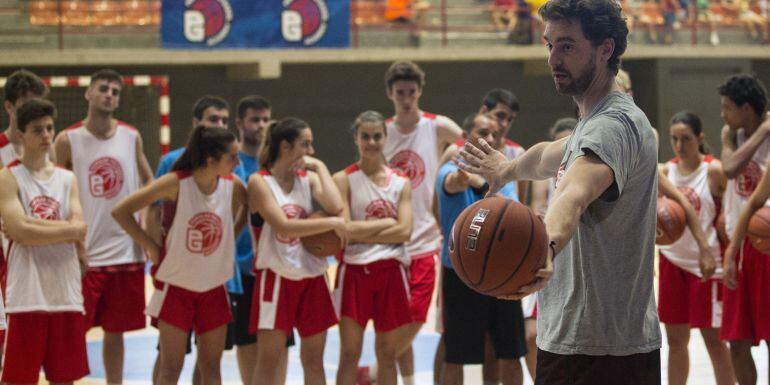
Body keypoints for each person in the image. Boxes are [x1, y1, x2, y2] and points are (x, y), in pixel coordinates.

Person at [457, 0, 662, 382]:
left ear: (605, 49)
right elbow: (545, 156)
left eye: (567, 45)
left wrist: (544, 247)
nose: (553, 57)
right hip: (596, 342)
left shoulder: (612, 125)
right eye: (550, 44)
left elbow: (575, 193)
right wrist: (506, 168)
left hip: (597, 351)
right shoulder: (591, 123)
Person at [112, 124, 247, 385]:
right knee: (171, 367)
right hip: (176, 286)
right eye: (232, 156)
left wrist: (232, 236)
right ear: (211, 160)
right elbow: (121, 211)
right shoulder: (175, 183)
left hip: (213, 287)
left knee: (211, 368)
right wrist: (149, 244)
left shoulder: (232, 184)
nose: (238, 162)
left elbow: (247, 204)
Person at [54, 69, 154, 385]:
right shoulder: (67, 139)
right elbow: (56, 191)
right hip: (85, 253)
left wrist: (146, 231)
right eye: (103, 89)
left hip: (126, 252)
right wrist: (71, 241)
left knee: (116, 333)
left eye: (115, 91)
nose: (109, 94)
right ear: (88, 94)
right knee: (73, 330)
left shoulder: (131, 135)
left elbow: (150, 182)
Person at [380, 60, 463, 385]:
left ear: (420, 91)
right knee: (395, 321)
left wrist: (445, 161)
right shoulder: (381, 132)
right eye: (400, 92)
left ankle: (374, 372)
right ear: (390, 93)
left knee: (415, 316)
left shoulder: (436, 126)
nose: (406, 98)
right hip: (389, 238)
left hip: (427, 237)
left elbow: (469, 146)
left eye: (411, 92)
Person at [248, 117, 345, 385]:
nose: (311, 151)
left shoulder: (308, 178)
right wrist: (332, 223)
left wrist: (321, 167)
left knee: (314, 360)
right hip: (277, 278)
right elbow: (284, 226)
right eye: (306, 144)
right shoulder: (259, 181)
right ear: (286, 146)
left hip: (312, 276)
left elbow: (336, 206)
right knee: (269, 361)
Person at [0, 98, 89, 385]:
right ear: (21, 134)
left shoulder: (67, 178)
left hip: (65, 293)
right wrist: (67, 230)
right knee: (19, 380)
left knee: (64, 379)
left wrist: (33, 227)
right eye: (38, 129)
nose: (47, 135)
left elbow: (80, 228)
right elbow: (20, 231)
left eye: (50, 128)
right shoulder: (8, 178)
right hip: (27, 294)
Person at [437, 113, 526, 385]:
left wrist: (482, 182)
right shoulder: (449, 170)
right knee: (456, 356)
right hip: (461, 273)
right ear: (465, 138)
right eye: (483, 133)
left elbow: (512, 211)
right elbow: (452, 183)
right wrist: (466, 180)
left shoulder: (505, 177)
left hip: (502, 273)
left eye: (494, 135)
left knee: (511, 353)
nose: (489, 139)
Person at [148, 95, 231, 385]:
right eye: (212, 119)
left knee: (210, 361)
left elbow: (239, 208)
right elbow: (153, 210)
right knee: (171, 356)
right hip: (177, 274)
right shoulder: (173, 164)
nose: (219, 125)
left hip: (215, 275)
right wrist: (153, 250)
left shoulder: (229, 164)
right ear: (197, 123)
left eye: (223, 120)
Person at [333, 111, 414, 385]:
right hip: (355, 272)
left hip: (391, 271)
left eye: (376, 136)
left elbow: (405, 231)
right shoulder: (343, 179)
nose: (371, 142)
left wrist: (361, 230)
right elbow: (345, 230)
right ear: (356, 138)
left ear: (385, 138)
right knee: (349, 353)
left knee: (387, 353)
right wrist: (387, 223)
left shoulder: (401, 182)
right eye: (365, 136)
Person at [658, 111, 735, 385]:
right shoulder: (666, 171)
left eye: (686, 139)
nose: (680, 145)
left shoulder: (713, 171)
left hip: (707, 264)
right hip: (672, 261)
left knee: (714, 339)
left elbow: (734, 208)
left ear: (700, 138)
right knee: (676, 341)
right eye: (674, 139)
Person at [718, 73, 770, 385]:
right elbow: (729, 168)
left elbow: (756, 201)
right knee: (736, 340)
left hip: (765, 243)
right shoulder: (731, 133)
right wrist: (762, 129)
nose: (723, 114)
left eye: (727, 107)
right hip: (739, 243)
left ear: (746, 108)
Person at [524, 117, 575, 382]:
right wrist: (539, 219)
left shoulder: (586, 168)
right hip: (548, 247)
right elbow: (536, 205)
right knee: (531, 334)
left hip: (576, 254)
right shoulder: (545, 174)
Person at [231, 95, 273, 385]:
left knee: (276, 341)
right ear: (240, 123)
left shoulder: (276, 163)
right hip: (239, 267)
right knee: (245, 341)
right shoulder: (230, 162)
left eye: (265, 119)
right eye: (254, 119)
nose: (260, 125)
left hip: (273, 265)